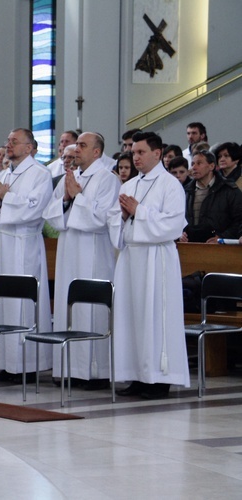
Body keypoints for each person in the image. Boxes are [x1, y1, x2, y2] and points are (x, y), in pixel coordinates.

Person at [108, 131, 190, 399]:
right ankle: (137, 375)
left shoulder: (170, 185)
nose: (136, 157)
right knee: (131, 318)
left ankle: (158, 379)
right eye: (134, 152)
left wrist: (138, 211)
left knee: (155, 317)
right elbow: (115, 223)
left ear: (158, 153)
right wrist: (121, 217)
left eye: (141, 152)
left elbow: (173, 225)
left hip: (157, 259)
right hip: (132, 258)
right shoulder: (129, 185)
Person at [43, 132, 120, 389]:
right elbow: (51, 214)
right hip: (69, 249)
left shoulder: (108, 179)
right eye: (76, 146)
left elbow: (102, 219)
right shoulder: (71, 177)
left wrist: (77, 197)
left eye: (83, 146)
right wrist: (66, 198)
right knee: (70, 306)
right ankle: (70, 369)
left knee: (91, 309)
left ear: (97, 152)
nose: (76, 150)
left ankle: (95, 372)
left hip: (93, 252)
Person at [0, 128, 54, 378]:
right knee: (4, 302)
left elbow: (35, 209)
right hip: (4, 244)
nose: (9, 145)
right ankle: (5, 362)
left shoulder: (40, 174)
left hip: (24, 244)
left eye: (14, 142)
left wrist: (7, 197)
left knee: (22, 303)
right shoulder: (5, 174)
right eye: (8, 141)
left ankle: (25, 365)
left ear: (29, 148)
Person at [178, 149, 242, 243]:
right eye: (192, 164)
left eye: (199, 163)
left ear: (211, 166)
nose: (194, 167)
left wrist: (221, 238)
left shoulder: (228, 190)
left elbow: (239, 220)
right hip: (190, 245)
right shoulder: (185, 191)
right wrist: (180, 232)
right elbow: (177, 218)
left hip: (219, 248)